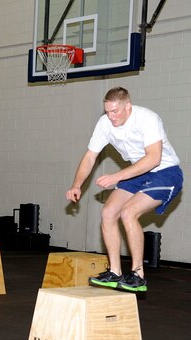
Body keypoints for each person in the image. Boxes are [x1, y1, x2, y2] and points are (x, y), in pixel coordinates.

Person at [66, 87, 183, 292]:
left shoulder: (147, 118)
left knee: (128, 213)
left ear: (128, 106)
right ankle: (115, 271)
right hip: (137, 172)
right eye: (107, 112)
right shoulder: (105, 124)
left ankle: (138, 274)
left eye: (115, 112)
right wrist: (77, 185)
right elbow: (90, 156)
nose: (111, 117)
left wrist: (116, 176)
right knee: (108, 212)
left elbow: (153, 158)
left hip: (165, 172)